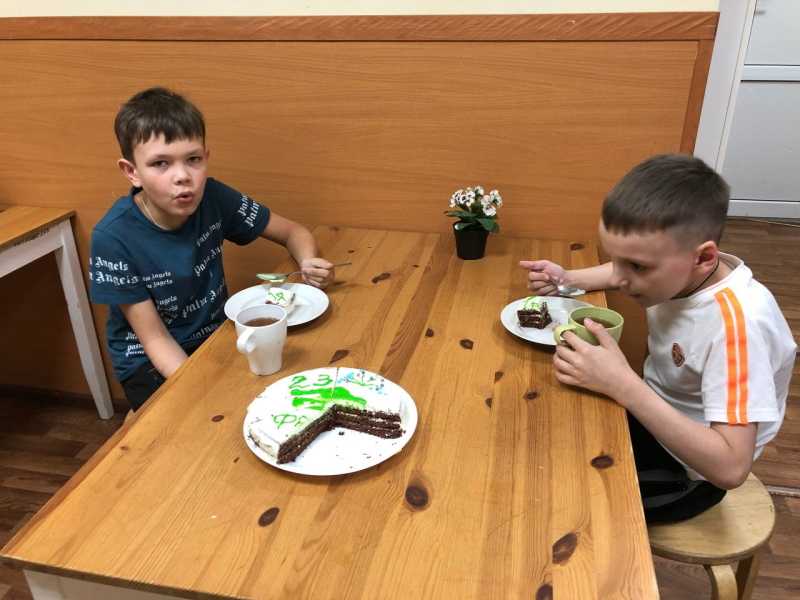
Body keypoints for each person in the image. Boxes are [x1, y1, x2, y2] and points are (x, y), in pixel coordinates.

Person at [521, 154, 796, 523]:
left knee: (556, 500)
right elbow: (621, 267)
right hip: (649, 416)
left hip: (689, 474)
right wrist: (568, 279)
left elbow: (730, 468)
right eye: (617, 260)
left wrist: (623, 385)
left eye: (636, 267)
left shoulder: (738, 328)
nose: (621, 279)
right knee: (540, 428)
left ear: (704, 257)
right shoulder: (682, 270)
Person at [89, 87, 335, 412]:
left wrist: (310, 262)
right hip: (149, 360)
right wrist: (207, 393)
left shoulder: (214, 197)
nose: (182, 176)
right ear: (132, 172)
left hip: (216, 337)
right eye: (160, 163)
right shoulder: (112, 237)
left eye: (193, 160)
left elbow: (293, 232)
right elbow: (156, 340)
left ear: (206, 157)